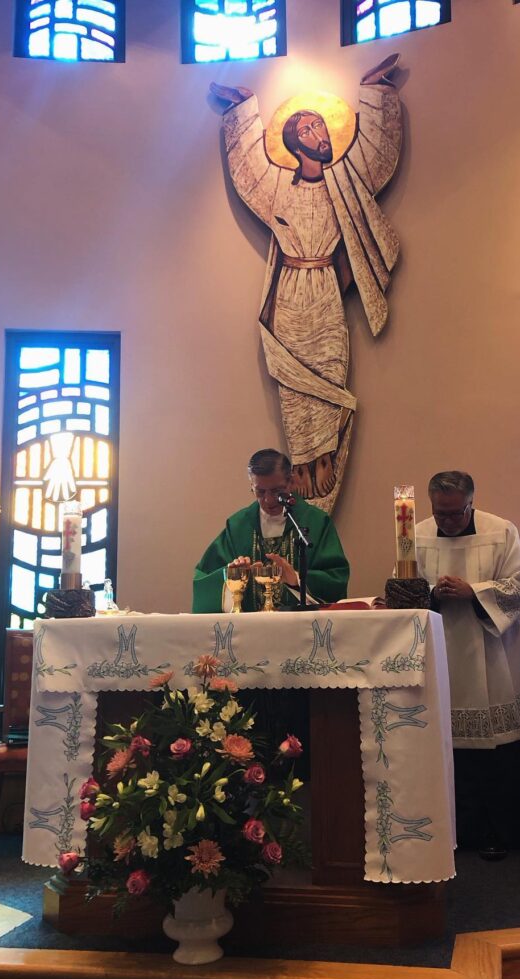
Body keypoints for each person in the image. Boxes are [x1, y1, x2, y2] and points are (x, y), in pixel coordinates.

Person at [209, 53, 402, 511]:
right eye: (307, 132)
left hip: (328, 301)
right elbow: (249, 173)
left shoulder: (347, 183)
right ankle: (305, 492)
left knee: (330, 391)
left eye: (321, 128)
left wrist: (376, 94)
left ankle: (322, 496)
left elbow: (376, 158)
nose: (319, 137)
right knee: (296, 401)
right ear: (293, 145)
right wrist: (244, 110)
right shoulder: (276, 188)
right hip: (290, 297)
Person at [416, 471, 520, 859]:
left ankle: (500, 831)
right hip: (440, 650)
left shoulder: (501, 532)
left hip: (491, 654)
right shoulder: (417, 535)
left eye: (454, 513)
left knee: (495, 748)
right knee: (448, 748)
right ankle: (456, 832)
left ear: (471, 502)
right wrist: (432, 594)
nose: (447, 522)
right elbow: (405, 589)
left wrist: (474, 593)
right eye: (440, 514)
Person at [192, 448, 350, 613]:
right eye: (260, 492)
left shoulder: (316, 522)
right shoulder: (238, 525)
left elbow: (336, 579)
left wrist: (297, 579)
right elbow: (203, 579)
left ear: (292, 482)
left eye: (276, 491)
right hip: (249, 633)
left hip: (299, 631)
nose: (268, 500)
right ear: (252, 487)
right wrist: (233, 576)